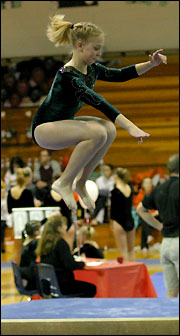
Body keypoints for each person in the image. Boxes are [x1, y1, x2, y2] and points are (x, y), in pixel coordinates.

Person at [31, 14, 167, 213]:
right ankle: (64, 182)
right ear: (79, 45)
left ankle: (81, 182)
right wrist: (131, 127)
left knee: (109, 129)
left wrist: (151, 64)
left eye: (100, 48)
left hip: (62, 123)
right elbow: (100, 103)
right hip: (43, 130)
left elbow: (120, 75)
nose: (99, 53)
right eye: (95, 48)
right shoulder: (68, 77)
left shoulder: (91, 69)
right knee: (97, 132)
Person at [137, 154, 179, 298]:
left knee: (171, 292)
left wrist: (160, 226)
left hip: (166, 244)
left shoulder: (159, 189)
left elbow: (140, 209)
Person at [35, 215, 96, 297]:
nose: (66, 227)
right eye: (64, 225)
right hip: (62, 285)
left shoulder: (45, 244)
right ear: (58, 228)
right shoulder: (60, 243)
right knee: (91, 288)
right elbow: (70, 265)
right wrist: (82, 264)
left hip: (49, 285)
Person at [110, 168, 135, 261]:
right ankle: (133, 271)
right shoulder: (130, 188)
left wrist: (111, 223)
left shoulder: (115, 191)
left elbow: (113, 210)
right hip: (130, 220)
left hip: (119, 221)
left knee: (123, 251)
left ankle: (127, 273)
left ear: (116, 176)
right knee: (131, 250)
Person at [133, 177, 159, 256]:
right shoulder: (140, 195)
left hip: (156, 215)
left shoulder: (156, 193)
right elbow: (138, 209)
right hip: (145, 216)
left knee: (146, 218)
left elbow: (161, 206)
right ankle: (148, 237)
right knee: (145, 219)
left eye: (150, 183)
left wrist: (154, 213)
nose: (148, 185)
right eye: (146, 183)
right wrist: (148, 215)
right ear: (143, 185)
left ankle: (144, 245)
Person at [19, 220, 41, 290]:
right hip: (29, 277)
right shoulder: (33, 243)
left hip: (23, 274)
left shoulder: (25, 240)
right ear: (35, 232)